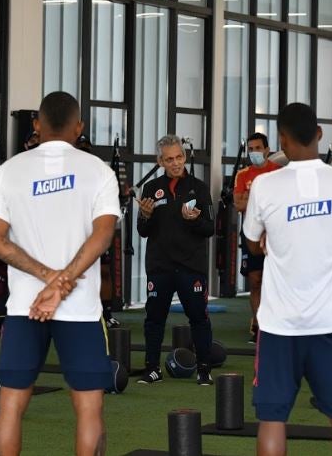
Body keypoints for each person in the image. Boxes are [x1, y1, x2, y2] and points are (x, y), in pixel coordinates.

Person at [0, 92, 119, 456]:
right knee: (89, 408)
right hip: (78, 309)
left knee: (10, 405)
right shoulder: (99, 171)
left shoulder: (8, 171)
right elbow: (103, 236)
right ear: (79, 127)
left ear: (37, 125)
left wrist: (48, 279)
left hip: (26, 306)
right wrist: (61, 284)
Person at [243, 102, 332, 456]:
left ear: (281, 139)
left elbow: (252, 242)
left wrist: (271, 238)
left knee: (272, 420)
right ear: (320, 134)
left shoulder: (265, 186)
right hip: (331, 323)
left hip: (281, 325)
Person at [136, 134, 215, 386]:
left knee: (199, 318)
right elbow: (142, 230)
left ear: (185, 157)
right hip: (160, 266)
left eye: (179, 157)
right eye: (169, 159)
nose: (175, 163)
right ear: (161, 161)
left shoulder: (199, 188)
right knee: (154, 319)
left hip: (191, 265)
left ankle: (204, 369)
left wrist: (195, 220)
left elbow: (210, 228)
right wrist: (145, 216)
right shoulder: (150, 189)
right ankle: (152, 369)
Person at [233, 132, 281, 344]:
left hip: (276, 235)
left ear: (267, 150)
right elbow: (239, 205)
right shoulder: (243, 175)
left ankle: (277, 324)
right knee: (255, 280)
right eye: (250, 149)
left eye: (257, 148)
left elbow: (280, 204)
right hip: (251, 234)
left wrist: (250, 198)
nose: (254, 153)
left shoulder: (278, 172)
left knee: (277, 281)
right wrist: (259, 200)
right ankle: (259, 325)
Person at [75, 134, 121, 329]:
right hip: (76, 231)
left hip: (97, 229)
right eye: (81, 146)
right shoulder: (68, 170)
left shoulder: (100, 172)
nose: (84, 150)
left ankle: (107, 312)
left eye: (87, 147)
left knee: (104, 272)